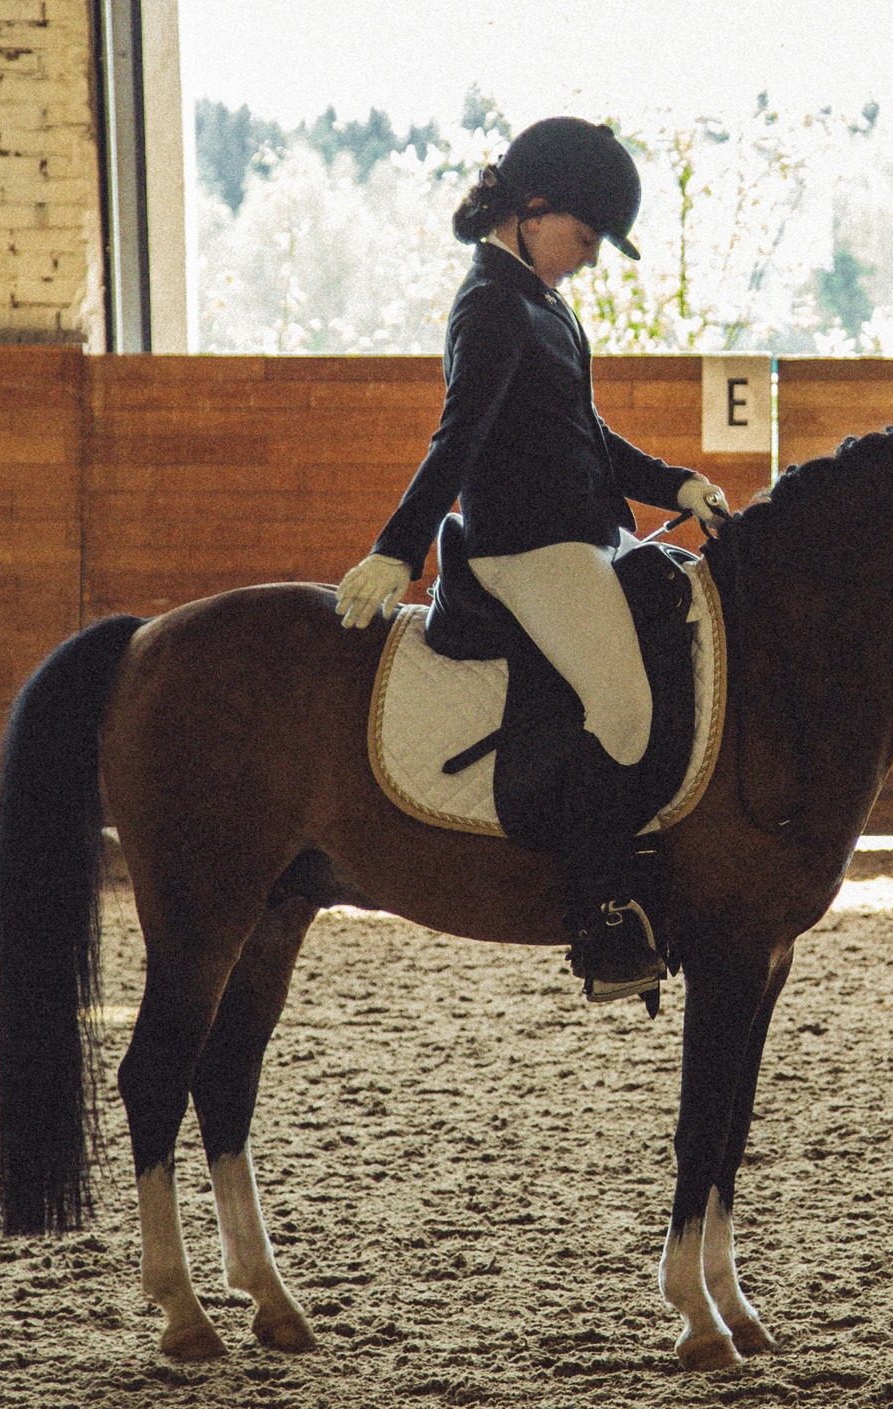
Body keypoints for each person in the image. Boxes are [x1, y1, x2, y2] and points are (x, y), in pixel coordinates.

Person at [332, 116, 728, 1004]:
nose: (588, 258)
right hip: (527, 548)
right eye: (584, 239)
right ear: (533, 210)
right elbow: (458, 439)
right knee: (624, 709)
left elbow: (588, 434)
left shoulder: (548, 305)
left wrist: (676, 485)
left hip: (586, 534)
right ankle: (598, 913)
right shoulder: (491, 306)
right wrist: (398, 552)